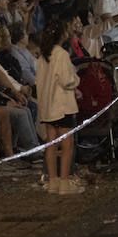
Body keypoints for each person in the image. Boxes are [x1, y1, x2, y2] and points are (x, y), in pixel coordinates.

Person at [36, 16, 84, 194]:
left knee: (51, 143)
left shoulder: (43, 56)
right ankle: (64, 182)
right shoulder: (62, 55)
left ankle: (53, 181)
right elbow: (66, 80)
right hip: (62, 105)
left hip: (48, 105)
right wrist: (75, 78)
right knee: (66, 145)